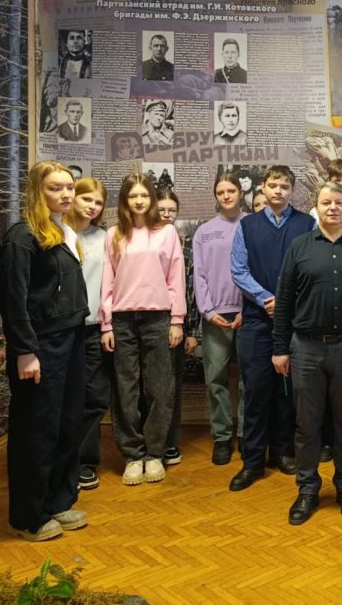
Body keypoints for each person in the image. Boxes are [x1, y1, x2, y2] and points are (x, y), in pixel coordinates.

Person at [272, 180, 342, 526]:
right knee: (307, 425)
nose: (333, 208)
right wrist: (279, 348)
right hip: (305, 348)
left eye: (339, 202)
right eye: (326, 202)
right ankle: (307, 488)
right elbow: (284, 300)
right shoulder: (299, 246)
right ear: (317, 206)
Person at [0, 161, 88, 540]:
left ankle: (57, 501)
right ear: (38, 190)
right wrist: (25, 350)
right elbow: (13, 299)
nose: (65, 194)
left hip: (71, 339)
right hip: (40, 345)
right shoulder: (22, 236)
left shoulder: (63, 230)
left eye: (69, 187)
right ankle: (28, 516)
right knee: (36, 429)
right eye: (55, 188)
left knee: (66, 424)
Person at [230, 166, 315, 491]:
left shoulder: (306, 224)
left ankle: (282, 451)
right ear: (263, 189)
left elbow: (310, 268)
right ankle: (252, 460)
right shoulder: (247, 225)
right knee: (256, 391)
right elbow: (238, 270)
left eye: (284, 186)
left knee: (286, 391)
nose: (278, 191)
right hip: (257, 319)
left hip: (293, 321)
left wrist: (285, 303)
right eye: (273, 185)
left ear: (292, 190)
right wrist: (267, 298)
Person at [100, 174, 185, 487]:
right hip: (122, 320)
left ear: (152, 199)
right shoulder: (114, 235)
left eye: (144, 195)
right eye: (133, 195)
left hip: (158, 318)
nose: (139, 201)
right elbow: (107, 281)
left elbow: (176, 278)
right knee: (126, 388)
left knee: (159, 387)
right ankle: (133, 454)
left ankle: (155, 453)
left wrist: (177, 320)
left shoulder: (166, 232)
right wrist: (106, 324)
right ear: (124, 200)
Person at [193, 172, 246, 466]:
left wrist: (247, 309)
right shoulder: (204, 232)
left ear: (241, 193)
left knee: (250, 379)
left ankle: (247, 434)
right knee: (216, 379)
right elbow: (199, 274)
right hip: (215, 315)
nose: (226, 196)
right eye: (220, 192)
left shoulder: (252, 225)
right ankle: (222, 437)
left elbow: (259, 269)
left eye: (231, 190)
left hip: (248, 314)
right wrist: (208, 311)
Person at [70, 177, 111, 492]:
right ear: (73, 197)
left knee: (95, 397)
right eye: (87, 199)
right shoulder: (59, 234)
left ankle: (85, 462)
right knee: (65, 397)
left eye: (98, 202)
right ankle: (63, 462)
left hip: (94, 327)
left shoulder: (105, 238)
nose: (92, 207)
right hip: (62, 330)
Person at [154, 189, 199, 468]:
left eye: (171, 210)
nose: (167, 214)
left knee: (171, 386)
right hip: (147, 322)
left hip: (178, 325)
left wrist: (191, 330)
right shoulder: (143, 241)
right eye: (162, 209)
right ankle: (149, 443)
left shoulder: (186, 245)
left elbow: (190, 290)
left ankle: (169, 442)